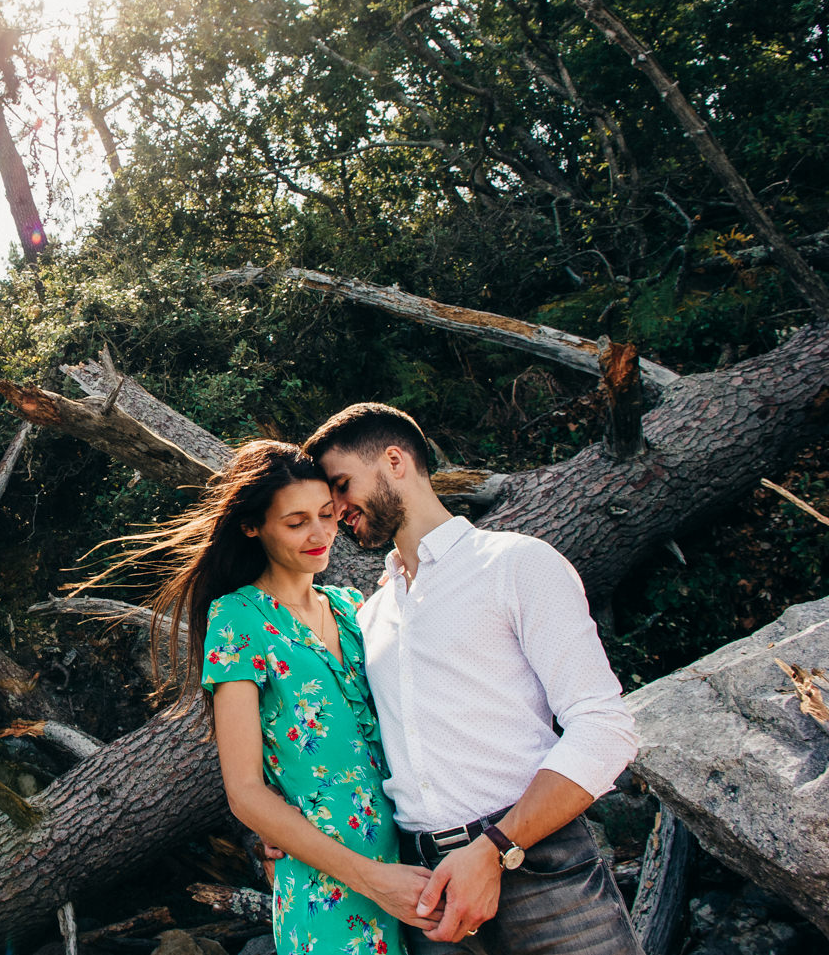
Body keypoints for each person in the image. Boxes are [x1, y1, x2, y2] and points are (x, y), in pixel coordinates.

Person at [302, 403, 643, 955]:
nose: (336, 511)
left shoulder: (516, 564)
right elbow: (367, 757)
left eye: (341, 486)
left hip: (540, 870)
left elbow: (605, 727)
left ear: (394, 461)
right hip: (426, 890)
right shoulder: (369, 616)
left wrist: (493, 850)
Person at [91, 440, 442, 955]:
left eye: (326, 514)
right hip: (332, 886)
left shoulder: (353, 609)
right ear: (253, 527)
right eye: (296, 522)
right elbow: (246, 793)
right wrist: (370, 879)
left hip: (416, 866)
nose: (320, 534)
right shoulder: (239, 619)